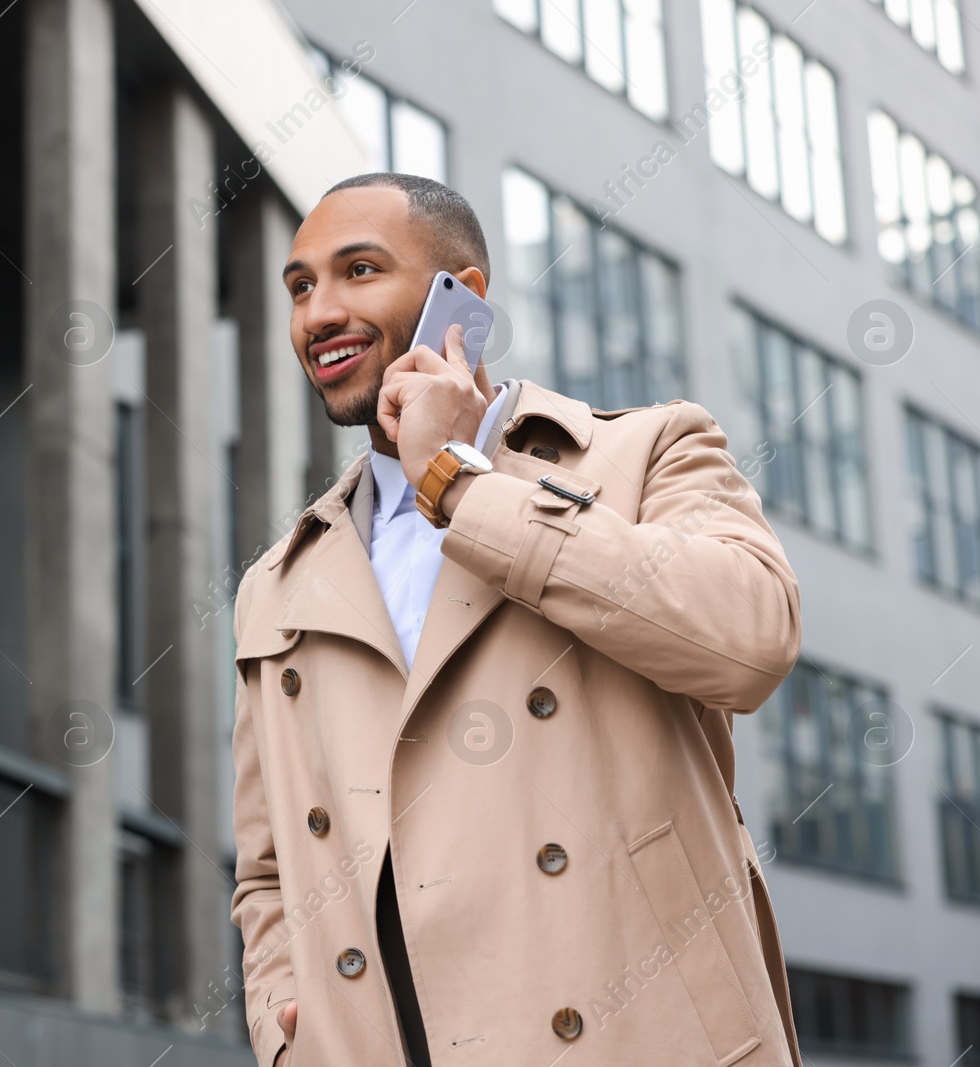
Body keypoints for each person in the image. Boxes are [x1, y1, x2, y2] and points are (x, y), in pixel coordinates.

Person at [229, 172, 804, 1066]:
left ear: (464, 299)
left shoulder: (646, 451)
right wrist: (281, 1028)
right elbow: (267, 871)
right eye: (301, 287)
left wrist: (463, 485)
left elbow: (752, 640)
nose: (319, 312)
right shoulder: (280, 582)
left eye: (360, 270)